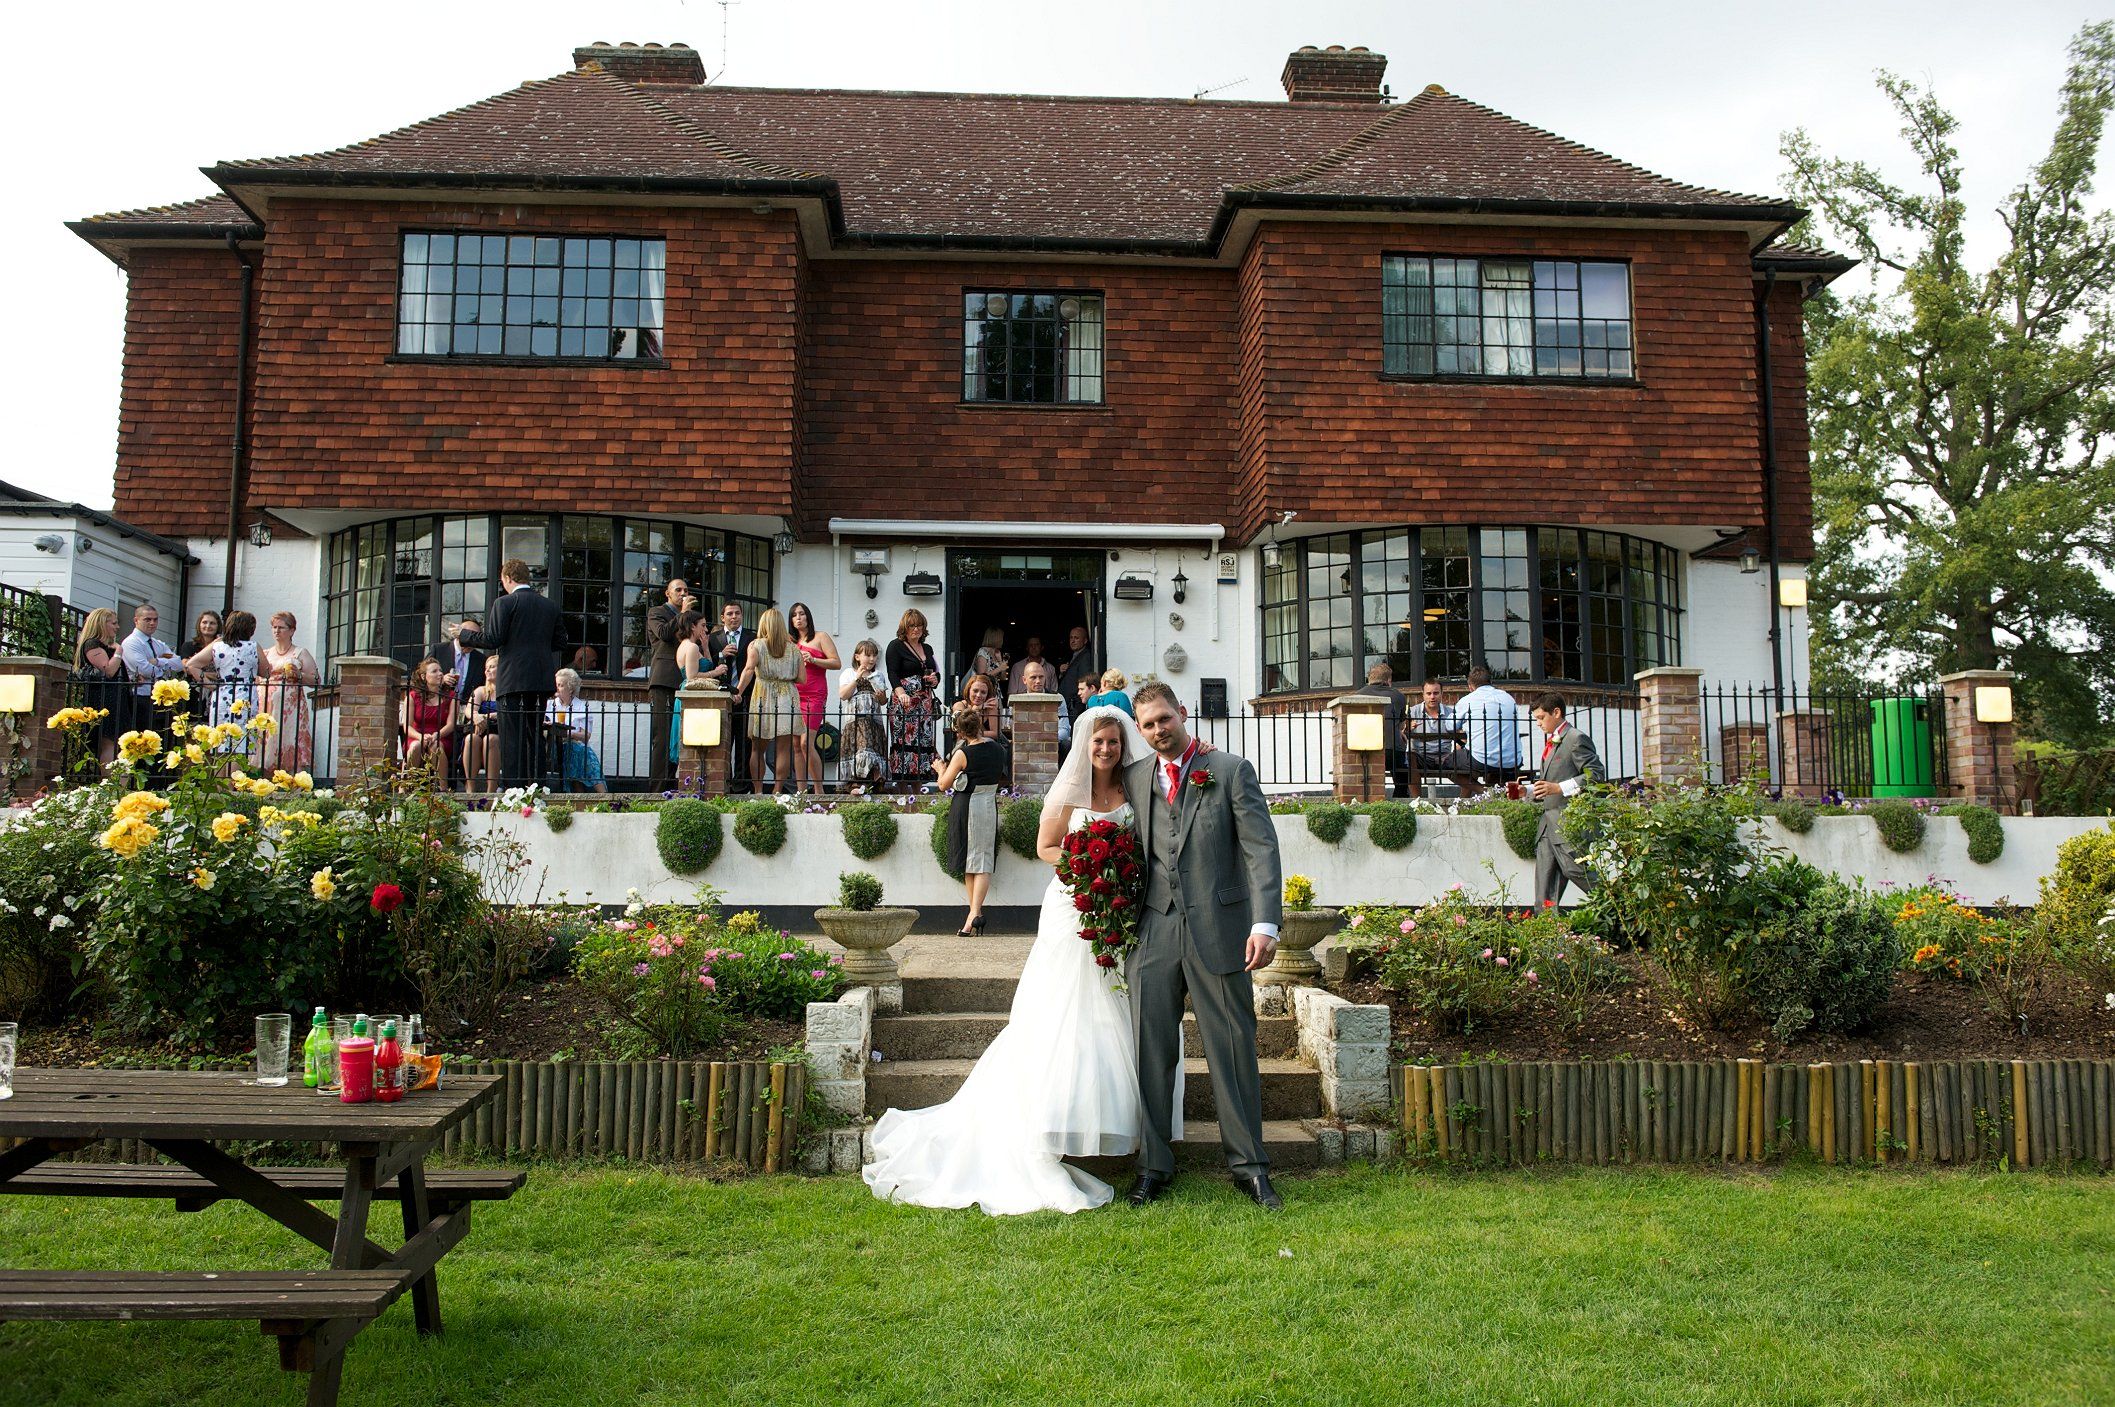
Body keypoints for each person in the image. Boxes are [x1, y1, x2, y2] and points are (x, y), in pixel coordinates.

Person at [864, 705, 1156, 1215]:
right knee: (1064, 1007)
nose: (1106, 749)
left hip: (1118, 910)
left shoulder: (1131, 791)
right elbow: (1046, 846)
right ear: (1085, 746)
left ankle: (1113, 1123)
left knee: (1113, 1006)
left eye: (1113, 742)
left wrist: (1118, 871)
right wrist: (1089, 861)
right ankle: (1047, 1120)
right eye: (1098, 742)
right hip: (1074, 904)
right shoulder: (1070, 791)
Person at [1123, 681, 1284, 1211]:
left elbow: (1261, 849)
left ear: (1183, 714)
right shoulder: (1135, 777)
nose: (1157, 731)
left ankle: (1250, 1166)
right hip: (1154, 930)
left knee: (1233, 1047)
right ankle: (1153, 1165)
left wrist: (1265, 924)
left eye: (1164, 719)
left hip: (1220, 928)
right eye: (1147, 725)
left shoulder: (1230, 770)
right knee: (1151, 1053)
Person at [456, 559, 568, 789]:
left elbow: (493, 639)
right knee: (535, 735)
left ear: (507, 578)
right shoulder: (550, 606)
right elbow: (561, 642)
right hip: (540, 680)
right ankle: (537, 787)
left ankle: (513, 790)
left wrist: (464, 634)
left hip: (513, 681)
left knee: (512, 738)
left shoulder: (505, 603)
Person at [935, 700, 1007, 936]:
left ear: (960, 731)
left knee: (971, 861)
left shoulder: (962, 753)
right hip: (989, 803)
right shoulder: (998, 748)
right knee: (980, 860)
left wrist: (939, 769)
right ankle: (973, 914)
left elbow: (943, 785)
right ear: (980, 725)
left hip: (967, 806)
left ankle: (974, 914)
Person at [1530, 693, 1603, 907]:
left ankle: (1623, 909)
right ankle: (1545, 935)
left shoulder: (1576, 738)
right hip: (1547, 826)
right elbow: (1549, 783)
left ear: (1556, 712)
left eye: (1541, 718)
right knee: (1544, 891)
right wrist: (1528, 792)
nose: (1538, 723)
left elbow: (1596, 775)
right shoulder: (1553, 742)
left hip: (1568, 824)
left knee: (1578, 872)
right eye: (1536, 719)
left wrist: (1558, 788)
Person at [738, 606, 802, 796]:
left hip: (763, 694)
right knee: (783, 749)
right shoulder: (793, 648)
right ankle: (777, 790)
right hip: (787, 696)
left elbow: (749, 670)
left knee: (757, 748)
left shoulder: (756, 645)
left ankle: (758, 791)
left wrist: (738, 692)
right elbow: (802, 679)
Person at [255, 611, 320, 774]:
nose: (276, 631)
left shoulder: (300, 653)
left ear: (291, 631)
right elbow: (256, 677)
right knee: (267, 742)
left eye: (281, 628)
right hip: (267, 706)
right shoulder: (266, 653)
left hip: (291, 709)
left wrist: (298, 675)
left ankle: (292, 781)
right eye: (274, 627)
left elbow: (316, 680)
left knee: (289, 739)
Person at [645, 578, 695, 789]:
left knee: (683, 737)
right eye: (678, 590)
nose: (683, 593)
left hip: (685, 681)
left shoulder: (687, 616)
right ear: (668, 593)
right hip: (665, 681)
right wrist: (683, 614)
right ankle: (657, 790)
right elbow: (664, 634)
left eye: (685, 589)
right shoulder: (657, 612)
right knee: (663, 738)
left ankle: (679, 787)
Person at [885, 609, 940, 793]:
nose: (916, 629)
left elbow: (935, 670)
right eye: (912, 626)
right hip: (905, 704)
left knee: (922, 743)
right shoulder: (896, 646)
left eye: (919, 625)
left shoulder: (928, 648)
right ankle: (902, 791)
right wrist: (901, 693)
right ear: (905, 627)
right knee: (904, 744)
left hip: (924, 703)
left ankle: (918, 790)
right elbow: (892, 673)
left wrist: (935, 679)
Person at [789, 602, 841, 795]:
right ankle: (801, 791)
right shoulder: (790, 641)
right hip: (795, 694)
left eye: (802, 614)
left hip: (815, 694)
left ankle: (819, 789)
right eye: (794, 615)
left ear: (808, 616)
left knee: (805, 742)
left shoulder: (821, 637)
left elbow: (836, 662)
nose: (798, 618)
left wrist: (813, 659)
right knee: (795, 745)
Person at [704, 603, 755, 792]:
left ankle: (741, 786)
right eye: (730, 614)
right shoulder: (713, 638)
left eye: (738, 613)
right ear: (722, 617)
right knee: (722, 743)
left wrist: (741, 692)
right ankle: (722, 783)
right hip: (719, 696)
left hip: (745, 697)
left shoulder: (752, 638)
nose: (734, 617)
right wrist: (721, 654)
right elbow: (705, 663)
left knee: (744, 744)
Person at [73, 607, 129, 766]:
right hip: (104, 698)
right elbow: (109, 670)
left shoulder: (106, 647)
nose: (117, 627)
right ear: (101, 624)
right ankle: (109, 785)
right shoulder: (92, 644)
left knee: (118, 743)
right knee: (109, 742)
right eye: (114, 623)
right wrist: (119, 650)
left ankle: (118, 786)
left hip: (117, 697)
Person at [187, 609, 259, 728]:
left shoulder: (218, 645)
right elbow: (266, 671)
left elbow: (191, 664)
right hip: (246, 694)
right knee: (244, 734)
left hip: (222, 692)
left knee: (220, 734)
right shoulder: (253, 647)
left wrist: (209, 684)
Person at [837, 637, 890, 793]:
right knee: (859, 748)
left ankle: (871, 780)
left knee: (869, 747)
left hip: (873, 720)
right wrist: (856, 678)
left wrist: (880, 695)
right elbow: (843, 695)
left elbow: (883, 701)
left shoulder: (878, 675)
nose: (872, 659)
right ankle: (856, 782)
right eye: (868, 655)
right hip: (855, 720)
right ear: (857, 656)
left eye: (874, 655)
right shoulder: (848, 673)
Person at [1456, 664, 1523, 785]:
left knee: (1446, 763)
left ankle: (1484, 792)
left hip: (1481, 760)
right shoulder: (1508, 698)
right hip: (1512, 760)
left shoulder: (1467, 700)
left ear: (1470, 686)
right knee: (1492, 768)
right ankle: (1490, 794)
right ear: (1491, 682)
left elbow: (1450, 726)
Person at [1355, 662, 1412, 799]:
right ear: (1389, 680)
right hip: (1393, 752)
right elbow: (1401, 724)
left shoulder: (1358, 695)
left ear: (1370, 679)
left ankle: (1369, 798)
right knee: (1402, 774)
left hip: (1366, 751)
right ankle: (1400, 796)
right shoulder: (1399, 696)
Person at [546, 668, 608, 793]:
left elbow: (586, 736)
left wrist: (569, 734)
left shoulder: (581, 706)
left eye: (561, 685)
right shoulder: (549, 705)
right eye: (556, 685)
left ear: (571, 689)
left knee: (580, 752)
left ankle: (604, 797)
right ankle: (601, 795)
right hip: (555, 747)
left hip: (575, 747)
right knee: (578, 753)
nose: (557, 688)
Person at [400, 656, 457, 787]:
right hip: (416, 735)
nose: (440, 673)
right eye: (434, 671)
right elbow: (407, 726)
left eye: (440, 670)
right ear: (424, 676)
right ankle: (410, 784)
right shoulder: (413, 696)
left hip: (442, 737)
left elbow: (451, 724)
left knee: (435, 746)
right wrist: (420, 737)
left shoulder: (451, 696)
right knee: (415, 746)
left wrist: (437, 735)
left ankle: (443, 787)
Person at [120, 604, 185, 719]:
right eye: (147, 620)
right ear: (136, 620)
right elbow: (145, 670)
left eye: (155, 620)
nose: (152, 623)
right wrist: (164, 672)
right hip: (141, 696)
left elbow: (179, 664)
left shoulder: (158, 643)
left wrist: (157, 661)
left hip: (160, 698)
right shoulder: (131, 642)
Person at [665, 610, 709, 772]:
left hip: (693, 693)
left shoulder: (692, 646)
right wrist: (716, 672)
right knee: (690, 739)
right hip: (690, 694)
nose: (705, 629)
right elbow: (692, 676)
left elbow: (707, 663)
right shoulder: (689, 647)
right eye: (702, 625)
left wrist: (705, 647)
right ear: (692, 626)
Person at [463, 655, 502, 793]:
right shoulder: (480, 691)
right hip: (479, 729)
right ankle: (470, 787)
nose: (487, 671)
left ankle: (491, 788)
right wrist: (476, 717)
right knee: (471, 739)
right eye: (486, 668)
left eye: (492, 667)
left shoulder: (506, 691)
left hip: (499, 732)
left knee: (490, 739)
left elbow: (506, 712)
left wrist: (486, 716)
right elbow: (469, 709)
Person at [1056, 624, 1096, 719]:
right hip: (1069, 707)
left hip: (1074, 708)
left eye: (1076, 638)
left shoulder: (1085, 657)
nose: (1073, 641)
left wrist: (1077, 708)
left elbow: (1084, 682)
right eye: (1071, 638)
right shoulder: (1074, 655)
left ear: (1085, 641)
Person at [963, 627, 1008, 695]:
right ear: (996, 638)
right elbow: (982, 676)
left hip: (994, 690)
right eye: (1001, 637)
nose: (1002, 640)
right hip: (982, 691)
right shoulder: (983, 652)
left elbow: (1003, 678)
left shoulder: (997, 653)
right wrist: (999, 668)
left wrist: (1000, 661)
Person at [961, 671, 1003, 744]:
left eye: (983, 692)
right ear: (968, 690)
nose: (978, 695)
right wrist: (977, 708)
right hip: (965, 746)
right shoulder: (961, 705)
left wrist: (973, 734)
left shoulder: (990, 707)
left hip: (987, 746)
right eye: (975, 691)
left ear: (988, 694)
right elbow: (961, 731)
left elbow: (996, 733)